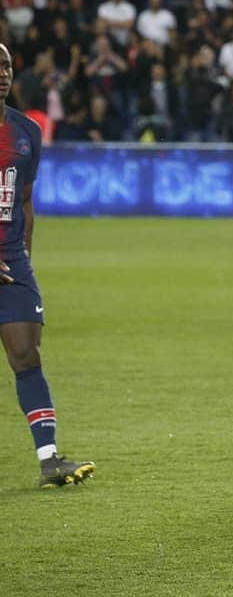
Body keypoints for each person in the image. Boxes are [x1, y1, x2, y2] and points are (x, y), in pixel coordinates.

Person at [0, 44, 95, 488]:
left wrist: (24, 266)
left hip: (11, 262)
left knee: (26, 355)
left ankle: (49, 457)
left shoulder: (26, 132)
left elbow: (25, 202)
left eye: (6, 65)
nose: (2, 73)